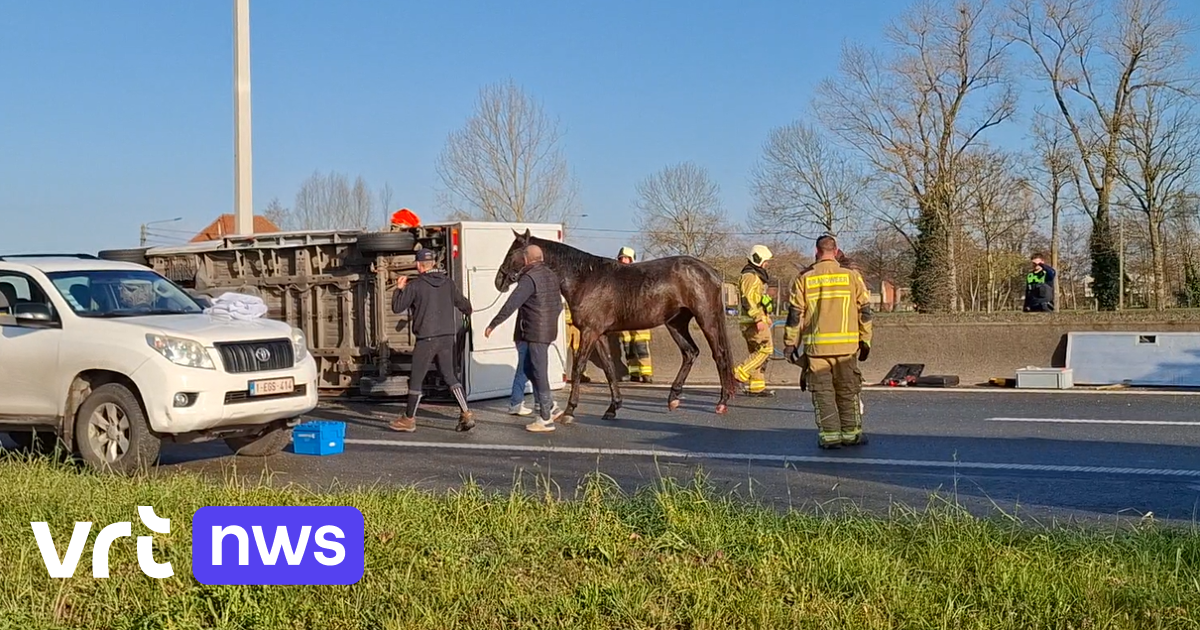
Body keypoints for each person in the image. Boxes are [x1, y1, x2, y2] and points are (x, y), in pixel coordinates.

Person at [784, 235, 873, 449]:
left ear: (816, 251)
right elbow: (866, 311)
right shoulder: (851, 276)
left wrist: (790, 344)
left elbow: (795, 314)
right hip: (847, 348)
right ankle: (851, 434)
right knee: (848, 390)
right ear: (836, 250)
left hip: (817, 350)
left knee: (823, 393)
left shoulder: (805, 278)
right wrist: (866, 340)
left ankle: (830, 436)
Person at [387, 248, 475, 433]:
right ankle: (466, 413)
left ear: (419, 265)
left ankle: (409, 419)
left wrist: (399, 289)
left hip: (426, 338)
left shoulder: (415, 285)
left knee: (417, 379)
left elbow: (397, 307)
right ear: (433, 263)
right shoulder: (448, 283)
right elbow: (464, 304)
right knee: (450, 376)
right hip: (446, 337)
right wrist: (468, 311)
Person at [486, 244, 563, 433]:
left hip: (535, 332)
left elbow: (512, 303)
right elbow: (559, 305)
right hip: (547, 330)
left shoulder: (529, 278)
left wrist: (494, 323)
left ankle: (545, 418)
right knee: (529, 368)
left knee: (538, 372)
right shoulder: (551, 275)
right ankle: (548, 406)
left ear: (527, 259)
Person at [732, 244, 776, 397]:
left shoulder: (755, 277)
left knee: (755, 352)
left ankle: (756, 387)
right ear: (758, 259)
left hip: (753, 321)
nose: (767, 264)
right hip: (752, 322)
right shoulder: (750, 277)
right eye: (766, 261)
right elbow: (748, 300)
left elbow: (758, 299)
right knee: (765, 349)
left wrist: (766, 315)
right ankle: (739, 373)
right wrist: (758, 319)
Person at [615, 246, 653, 383]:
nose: (623, 260)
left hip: (639, 315)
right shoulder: (616, 276)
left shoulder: (639, 275)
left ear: (631, 260)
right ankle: (634, 373)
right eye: (621, 258)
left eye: (626, 258)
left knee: (641, 345)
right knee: (628, 346)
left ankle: (646, 373)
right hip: (624, 316)